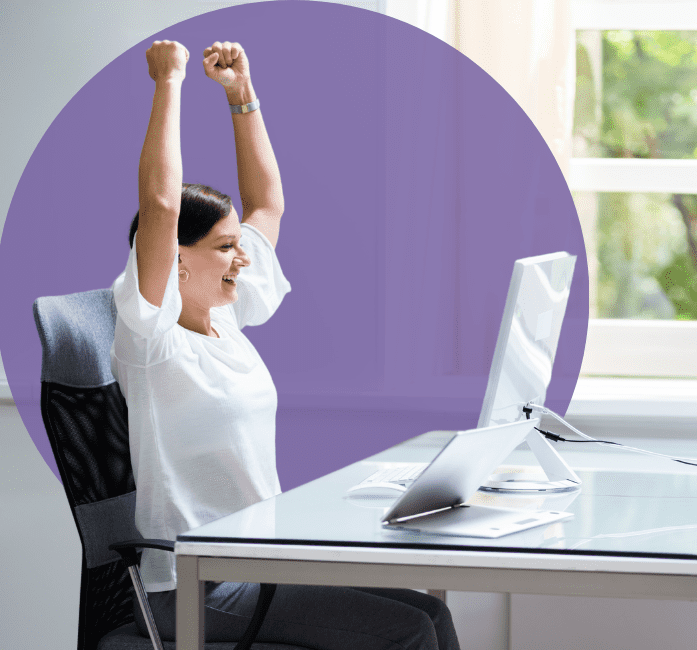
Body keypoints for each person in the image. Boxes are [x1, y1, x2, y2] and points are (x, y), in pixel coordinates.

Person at [112, 39, 460, 650]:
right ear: (175, 260)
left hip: (257, 563)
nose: (241, 255)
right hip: (195, 587)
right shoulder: (152, 339)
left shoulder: (228, 319)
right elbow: (160, 204)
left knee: (428, 615)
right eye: (224, 246)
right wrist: (170, 82)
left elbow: (268, 204)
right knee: (404, 633)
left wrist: (240, 94)